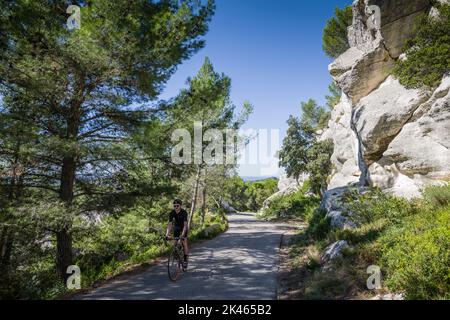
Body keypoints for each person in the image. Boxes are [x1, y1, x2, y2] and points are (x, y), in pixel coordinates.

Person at [165, 199, 189, 268]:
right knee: (175, 241)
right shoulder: (172, 213)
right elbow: (169, 225)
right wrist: (167, 234)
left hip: (183, 227)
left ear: (180, 206)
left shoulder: (184, 212)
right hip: (177, 227)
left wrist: (182, 235)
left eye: (177, 206)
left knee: (184, 242)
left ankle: (185, 260)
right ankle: (176, 253)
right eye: (174, 206)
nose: (176, 207)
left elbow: (185, 225)